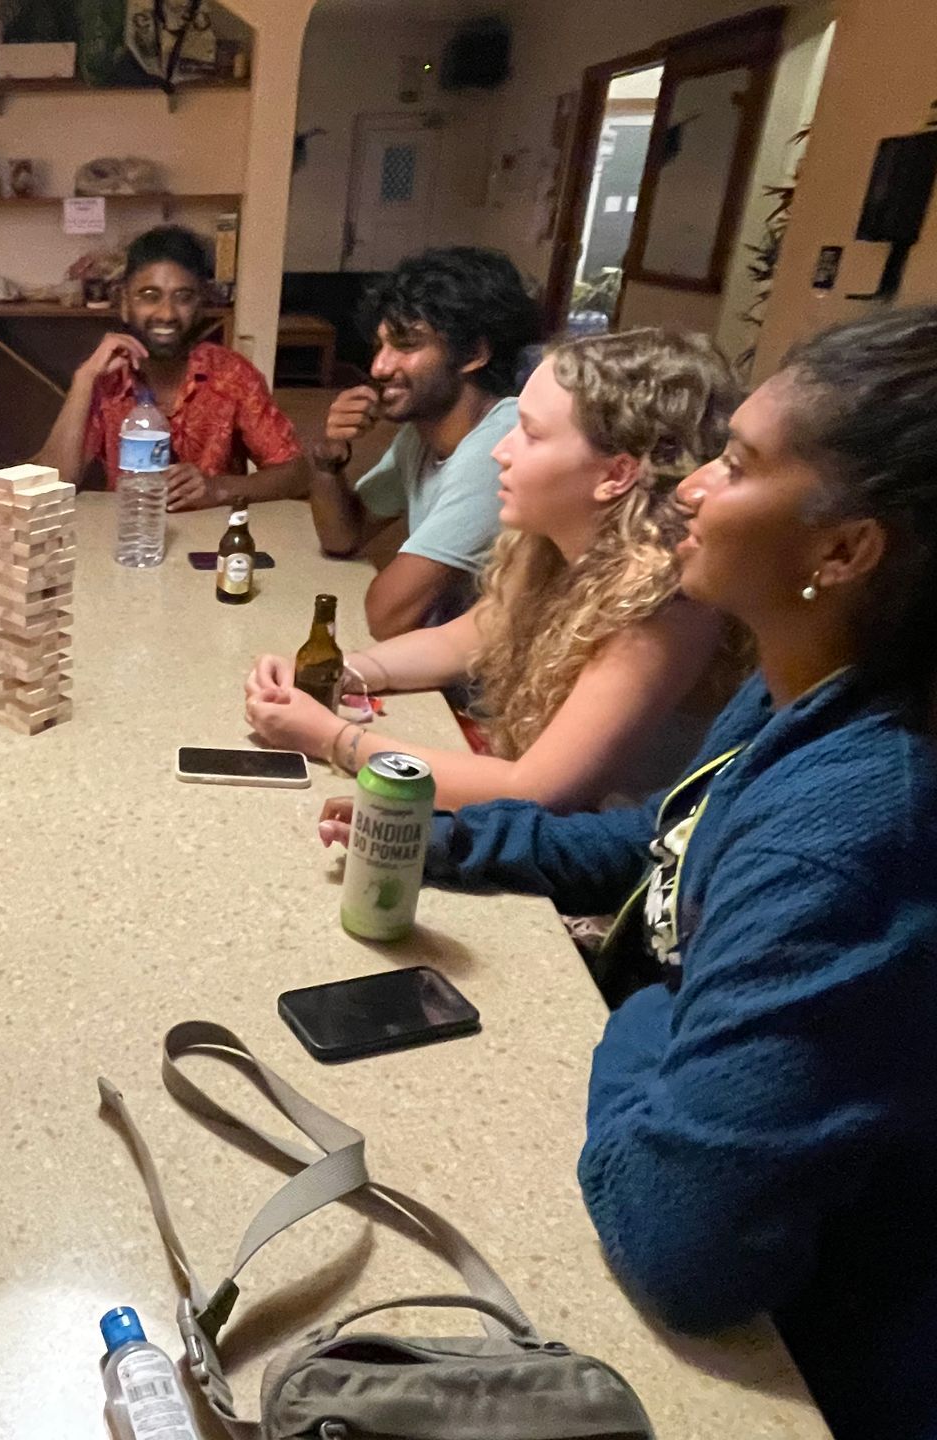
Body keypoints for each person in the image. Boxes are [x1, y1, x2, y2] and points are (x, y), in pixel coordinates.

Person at [322, 306, 937, 1438]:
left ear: (843, 551)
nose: (692, 486)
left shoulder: (854, 831)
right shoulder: (806, 686)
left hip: (814, 1371)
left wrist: (650, 998)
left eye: (737, 465)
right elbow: (661, 841)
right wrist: (455, 846)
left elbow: (682, 1245)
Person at [247, 329, 738, 811]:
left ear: (616, 475)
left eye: (531, 434)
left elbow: (533, 790)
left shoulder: (666, 607)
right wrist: (337, 672)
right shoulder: (552, 548)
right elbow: (461, 640)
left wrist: (333, 739)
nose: (500, 451)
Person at [307, 246, 544, 638]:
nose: (378, 368)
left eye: (407, 345)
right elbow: (342, 537)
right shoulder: (420, 435)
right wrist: (327, 463)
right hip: (447, 659)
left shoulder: (499, 448)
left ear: (472, 354)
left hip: (498, 684)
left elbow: (387, 615)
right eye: (380, 345)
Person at [34, 224, 305, 511]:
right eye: (150, 295)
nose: (166, 314)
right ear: (125, 303)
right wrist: (84, 378)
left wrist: (219, 488)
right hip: (132, 535)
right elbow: (51, 486)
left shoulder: (232, 375)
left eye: (183, 297)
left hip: (212, 541)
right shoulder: (107, 379)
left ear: (200, 305)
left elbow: (298, 475)